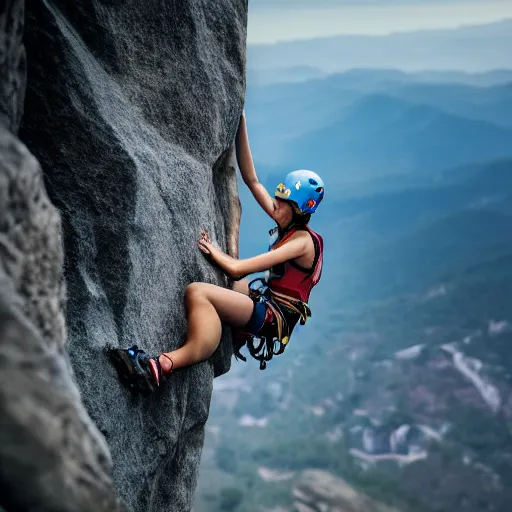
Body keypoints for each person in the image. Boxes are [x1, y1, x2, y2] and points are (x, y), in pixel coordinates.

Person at [108, 112, 325, 392]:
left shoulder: (301, 243)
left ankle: (161, 366)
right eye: (279, 200)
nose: (276, 206)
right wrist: (240, 122)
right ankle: (221, 336)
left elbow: (238, 268)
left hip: (273, 317)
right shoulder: (290, 225)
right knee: (235, 286)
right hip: (268, 303)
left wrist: (214, 251)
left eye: (283, 204)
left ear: (299, 210)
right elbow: (252, 180)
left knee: (198, 292)